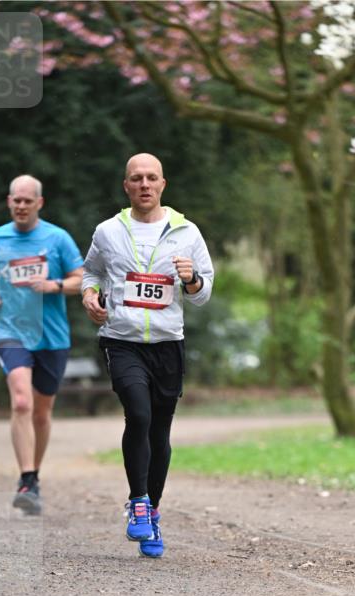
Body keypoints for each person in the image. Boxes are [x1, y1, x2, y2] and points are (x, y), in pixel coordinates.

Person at [81, 152, 214, 558]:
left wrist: (191, 278)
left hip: (167, 344)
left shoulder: (186, 232)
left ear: (162, 185)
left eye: (151, 178)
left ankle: (152, 513)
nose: (143, 184)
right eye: (136, 178)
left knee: (159, 432)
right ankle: (137, 501)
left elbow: (204, 293)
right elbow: (90, 273)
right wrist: (89, 296)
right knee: (137, 414)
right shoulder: (108, 231)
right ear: (126, 186)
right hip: (121, 341)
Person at [0, 176, 84, 514]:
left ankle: (34, 476)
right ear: (9, 201)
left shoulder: (58, 238)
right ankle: (26, 479)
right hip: (9, 330)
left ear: (39, 203)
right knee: (22, 402)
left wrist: (54, 285)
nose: (22, 206)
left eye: (28, 201)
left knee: (41, 412)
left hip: (52, 336)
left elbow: (82, 280)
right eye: (17, 200)